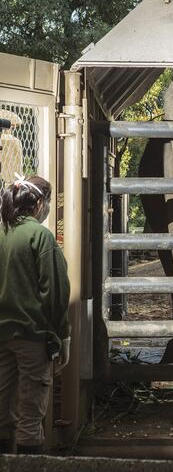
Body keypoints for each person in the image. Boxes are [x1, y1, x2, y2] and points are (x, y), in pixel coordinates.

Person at [0, 175, 71, 455]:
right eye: (49, 201)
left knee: (2, 414)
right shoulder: (40, 235)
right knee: (31, 416)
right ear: (40, 203)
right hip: (31, 337)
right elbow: (54, 291)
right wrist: (63, 334)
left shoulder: (2, 232)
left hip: (1, 336)